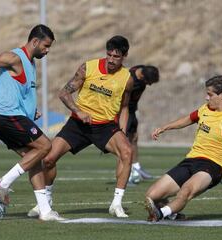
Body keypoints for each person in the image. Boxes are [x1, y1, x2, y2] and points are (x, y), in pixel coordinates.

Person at [27, 35, 134, 218]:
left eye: (116, 57)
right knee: (48, 159)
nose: (110, 59)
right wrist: (79, 111)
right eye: (108, 55)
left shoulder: (127, 78)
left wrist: (122, 131)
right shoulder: (88, 67)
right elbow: (64, 93)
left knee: (127, 152)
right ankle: (46, 200)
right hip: (78, 124)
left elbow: (124, 107)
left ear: (124, 56)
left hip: (106, 126)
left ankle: (116, 204)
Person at [144, 75, 222, 222]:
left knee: (186, 190)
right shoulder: (204, 110)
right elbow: (187, 119)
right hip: (191, 160)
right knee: (151, 195)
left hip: (213, 166)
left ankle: (160, 214)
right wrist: (165, 127)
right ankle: (172, 213)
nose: (206, 98)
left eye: (210, 94)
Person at [0, 24, 64, 221]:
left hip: (12, 116)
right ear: (35, 41)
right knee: (45, 146)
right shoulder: (16, 57)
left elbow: (18, 91)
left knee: (34, 158)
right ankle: (3, 182)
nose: (47, 50)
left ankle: (45, 211)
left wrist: (31, 112)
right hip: (6, 115)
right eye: (46, 46)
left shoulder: (30, 63)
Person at [127, 65, 159, 184]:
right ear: (142, 76)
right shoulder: (130, 80)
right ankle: (128, 174)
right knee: (125, 143)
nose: (149, 85)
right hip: (124, 112)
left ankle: (137, 168)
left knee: (134, 138)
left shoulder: (141, 69)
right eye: (148, 82)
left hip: (132, 111)